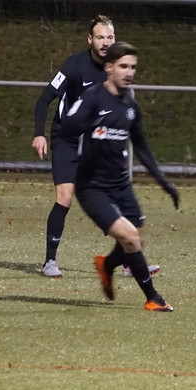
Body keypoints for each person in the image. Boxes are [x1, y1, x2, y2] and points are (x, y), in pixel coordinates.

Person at [31, 15, 158, 279]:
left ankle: (129, 263)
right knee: (65, 197)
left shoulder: (115, 68)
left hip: (96, 143)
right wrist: (39, 134)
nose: (105, 42)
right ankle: (49, 262)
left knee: (117, 198)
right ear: (90, 39)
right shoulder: (74, 65)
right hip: (67, 139)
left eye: (110, 37)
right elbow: (44, 99)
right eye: (100, 37)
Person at [60, 41, 180, 311]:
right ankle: (153, 298)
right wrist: (86, 123)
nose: (129, 72)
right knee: (130, 239)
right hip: (92, 187)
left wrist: (164, 183)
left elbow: (142, 147)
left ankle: (106, 265)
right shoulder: (93, 98)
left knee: (135, 239)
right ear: (109, 67)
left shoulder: (130, 105)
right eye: (123, 66)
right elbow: (67, 127)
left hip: (120, 184)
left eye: (133, 67)